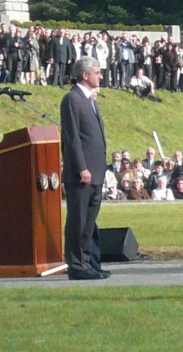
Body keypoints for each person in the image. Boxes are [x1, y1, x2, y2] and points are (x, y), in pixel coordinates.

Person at [60, 56, 109, 280]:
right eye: (97, 72)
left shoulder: (90, 99)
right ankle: (76, 265)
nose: (100, 76)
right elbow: (72, 138)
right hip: (82, 173)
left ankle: (88, 262)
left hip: (96, 172)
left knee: (89, 221)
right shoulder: (72, 99)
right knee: (78, 220)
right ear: (85, 75)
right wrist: (81, 167)